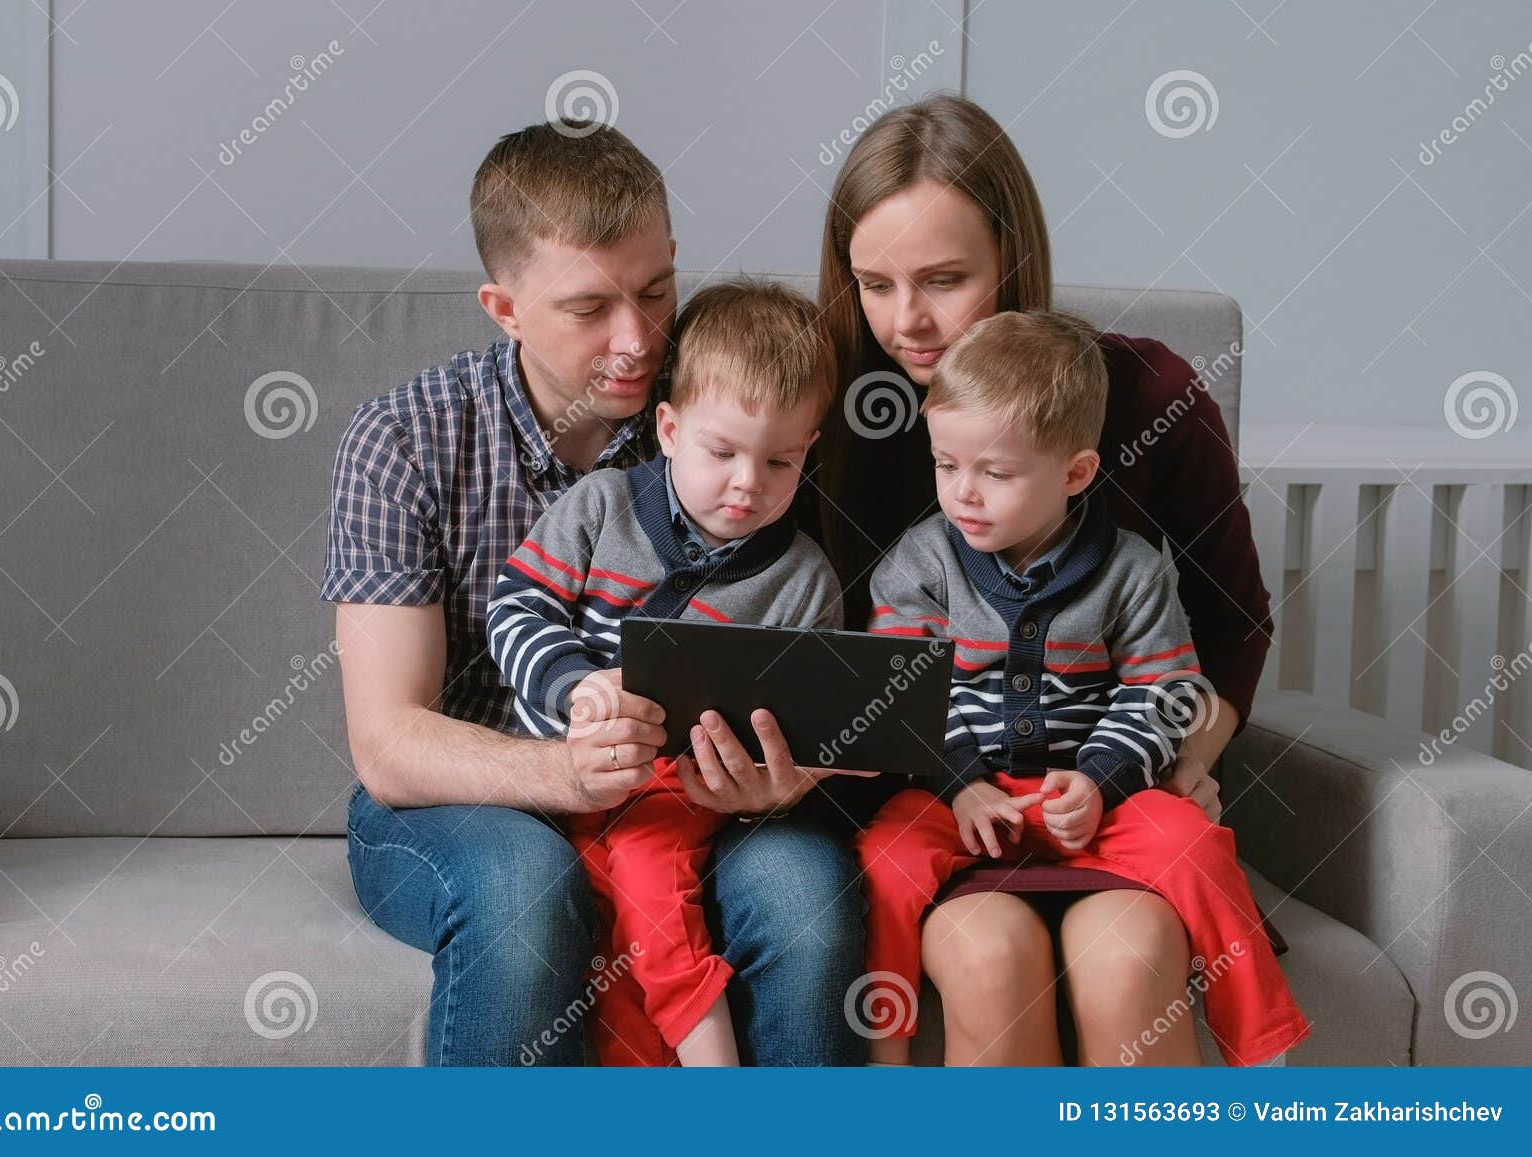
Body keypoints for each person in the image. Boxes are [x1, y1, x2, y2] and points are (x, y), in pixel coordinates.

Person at [322, 121, 864, 1066]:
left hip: (687, 798)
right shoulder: (401, 442)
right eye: (588, 307)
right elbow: (389, 745)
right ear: (505, 307)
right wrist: (569, 769)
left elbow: (824, 668)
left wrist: (787, 780)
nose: (638, 338)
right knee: (530, 898)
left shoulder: (725, 412)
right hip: (468, 798)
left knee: (807, 902)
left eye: (657, 290)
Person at [810, 94, 1276, 1065]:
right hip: (941, 799)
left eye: (945, 279)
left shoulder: (1143, 397)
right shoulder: (824, 409)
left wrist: (1177, 758)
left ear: (1012, 259)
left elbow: (1229, 626)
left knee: (1127, 956)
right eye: (876, 283)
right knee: (986, 957)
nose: (910, 321)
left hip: (1104, 791)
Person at [855, 311, 1309, 1067]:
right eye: (945, 465)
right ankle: (883, 1054)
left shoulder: (1131, 569)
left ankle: (1260, 1048)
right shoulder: (921, 562)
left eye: (995, 473)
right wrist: (962, 784)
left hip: (1099, 799)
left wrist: (1099, 780)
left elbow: (1163, 690)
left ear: (1075, 472)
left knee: (1196, 844)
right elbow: (904, 687)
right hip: (959, 796)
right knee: (882, 856)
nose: (963, 494)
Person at [486, 280, 844, 1066]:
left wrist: (777, 773)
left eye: (779, 460)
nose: (748, 483)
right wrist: (575, 685)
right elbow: (515, 609)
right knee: (601, 943)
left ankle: (713, 1067)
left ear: (807, 451)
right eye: (723, 453)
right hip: (561, 786)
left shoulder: (804, 578)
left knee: (650, 879)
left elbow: (816, 723)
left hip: (682, 794)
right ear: (671, 430)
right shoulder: (599, 508)